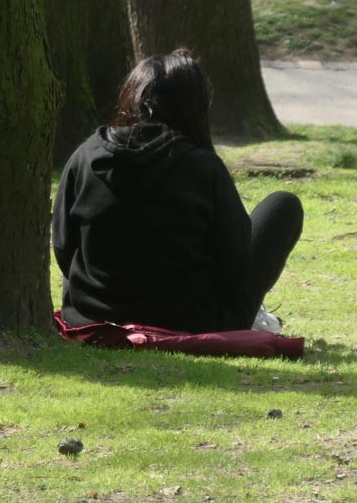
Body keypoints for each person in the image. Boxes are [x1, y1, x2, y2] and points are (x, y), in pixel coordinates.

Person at [52, 50, 303, 336]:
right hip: (193, 321)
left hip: (93, 314)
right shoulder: (204, 167)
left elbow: (63, 246)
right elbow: (235, 266)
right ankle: (252, 315)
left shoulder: (86, 155)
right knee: (283, 205)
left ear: (131, 96)